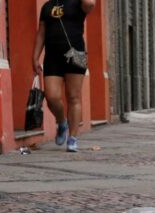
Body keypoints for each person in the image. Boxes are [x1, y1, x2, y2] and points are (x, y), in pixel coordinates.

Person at [33, 0, 97, 152]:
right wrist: (35, 57)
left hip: (77, 55)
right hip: (53, 57)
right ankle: (62, 122)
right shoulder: (47, 6)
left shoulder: (79, 3)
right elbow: (41, 32)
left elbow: (91, 4)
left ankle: (73, 138)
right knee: (51, 96)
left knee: (73, 97)